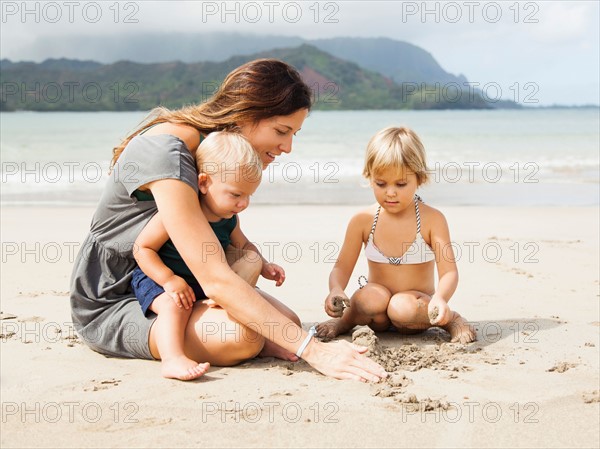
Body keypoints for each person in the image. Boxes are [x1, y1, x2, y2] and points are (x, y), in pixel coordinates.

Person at [70, 58, 387, 383]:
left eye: (294, 134)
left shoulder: (215, 154)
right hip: (124, 294)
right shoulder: (167, 153)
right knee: (244, 338)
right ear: (246, 115)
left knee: (287, 323)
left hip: (187, 284)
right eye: (281, 131)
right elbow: (215, 278)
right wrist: (315, 352)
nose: (288, 147)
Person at [131, 131, 289, 380]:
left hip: (204, 282)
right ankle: (172, 358)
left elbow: (246, 247)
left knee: (286, 316)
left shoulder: (229, 219)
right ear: (204, 183)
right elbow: (142, 249)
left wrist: (265, 266)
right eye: (236, 194)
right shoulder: (178, 210)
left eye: (249, 196)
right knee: (174, 307)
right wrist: (169, 280)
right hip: (160, 280)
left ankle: (264, 343)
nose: (243, 203)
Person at [317, 126, 476, 344]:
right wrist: (336, 289)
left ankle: (452, 320)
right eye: (381, 183)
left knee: (401, 307)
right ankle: (344, 322)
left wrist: (440, 298)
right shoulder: (362, 220)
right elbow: (341, 267)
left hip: (413, 309)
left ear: (419, 179)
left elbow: (449, 272)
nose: (390, 192)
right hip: (377, 312)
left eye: (401, 184)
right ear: (369, 176)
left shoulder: (432, 219)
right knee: (368, 298)